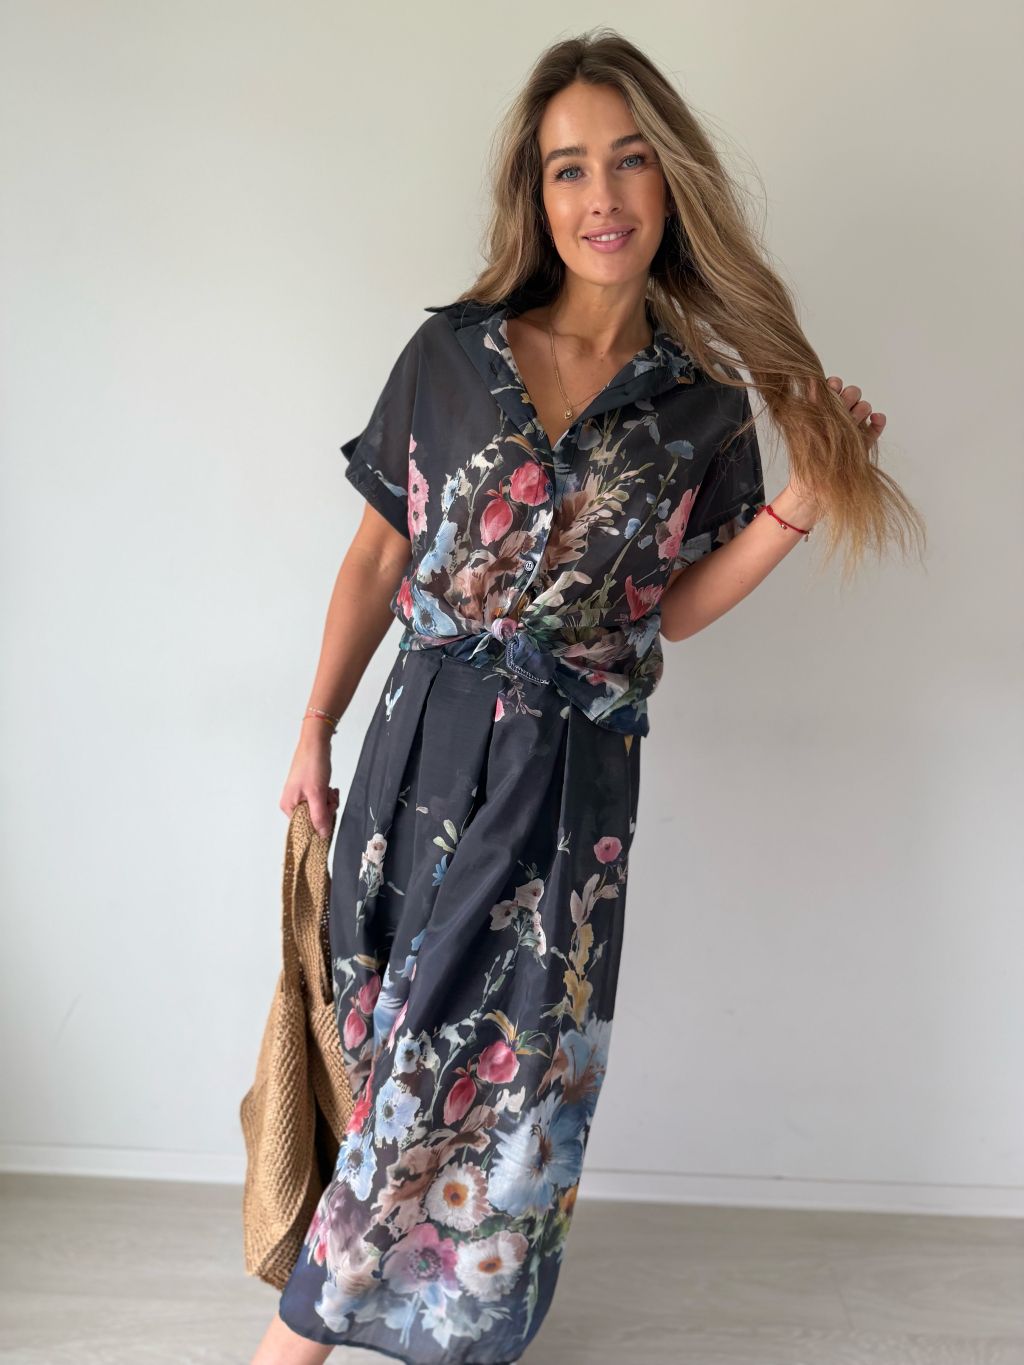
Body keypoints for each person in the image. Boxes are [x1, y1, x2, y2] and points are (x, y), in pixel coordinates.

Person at [249, 27, 923, 1365]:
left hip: (569, 772)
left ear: (671, 180)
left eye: (628, 162)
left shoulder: (701, 407)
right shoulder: (451, 355)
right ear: (536, 192)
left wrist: (798, 501)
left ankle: (303, 1349)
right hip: (416, 747)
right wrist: (313, 726)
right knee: (383, 1040)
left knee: (490, 1063)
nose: (601, 196)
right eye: (569, 168)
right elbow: (378, 555)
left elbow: (667, 606)